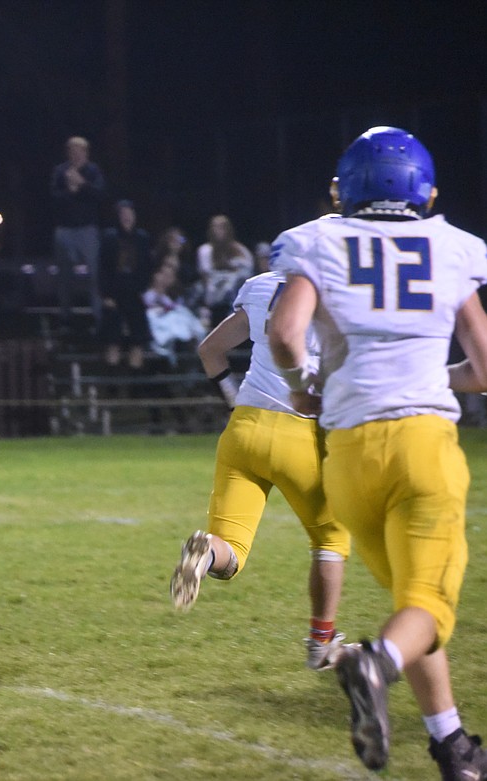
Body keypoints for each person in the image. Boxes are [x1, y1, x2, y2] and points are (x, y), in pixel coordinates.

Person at [268, 126, 487, 777]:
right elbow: (484, 365)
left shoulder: (319, 238)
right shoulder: (450, 247)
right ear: (425, 190)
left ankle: (454, 745)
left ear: (345, 188)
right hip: (422, 444)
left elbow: (285, 334)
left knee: (412, 608)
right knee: (428, 603)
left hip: (350, 456)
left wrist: (303, 386)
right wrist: (431, 376)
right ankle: (373, 663)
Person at [169, 265, 350, 672]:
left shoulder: (262, 286)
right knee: (331, 540)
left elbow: (209, 350)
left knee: (230, 549)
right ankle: (321, 644)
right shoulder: (345, 291)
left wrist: (233, 399)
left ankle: (203, 554)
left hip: (244, 429)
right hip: (302, 433)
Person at [50, 136, 107, 334]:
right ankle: (66, 318)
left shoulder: (93, 171)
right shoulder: (60, 171)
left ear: (86, 152)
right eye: (72, 151)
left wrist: (81, 184)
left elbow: (100, 195)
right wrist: (71, 190)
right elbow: (54, 198)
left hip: (87, 230)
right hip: (65, 230)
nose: (76, 154)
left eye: (80, 151)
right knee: (65, 277)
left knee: (94, 277)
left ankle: (98, 319)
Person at [97, 199, 153, 369]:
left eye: (130, 213)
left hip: (136, 293)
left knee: (138, 338)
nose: (127, 217)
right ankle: (113, 384)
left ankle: (136, 385)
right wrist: (106, 295)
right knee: (112, 338)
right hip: (114, 294)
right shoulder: (109, 237)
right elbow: (103, 268)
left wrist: (145, 290)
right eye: (123, 214)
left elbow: (147, 266)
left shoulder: (142, 238)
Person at [142, 262, 206, 367]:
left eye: (169, 276)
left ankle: (185, 341)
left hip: (173, 320)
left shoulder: (175, 297)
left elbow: (176, 309)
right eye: (163, 275)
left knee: (181, 316)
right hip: (154, 321)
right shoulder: (147, 294)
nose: (165, 279)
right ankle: (172, 343)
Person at [196, 214, 254, 327]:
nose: (218, 231)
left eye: (222, 227)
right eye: (215, 227)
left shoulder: (240, 250)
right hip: (214, 294)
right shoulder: (205, 250)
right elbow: (206, 276)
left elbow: (248, 272)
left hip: (236, 295)